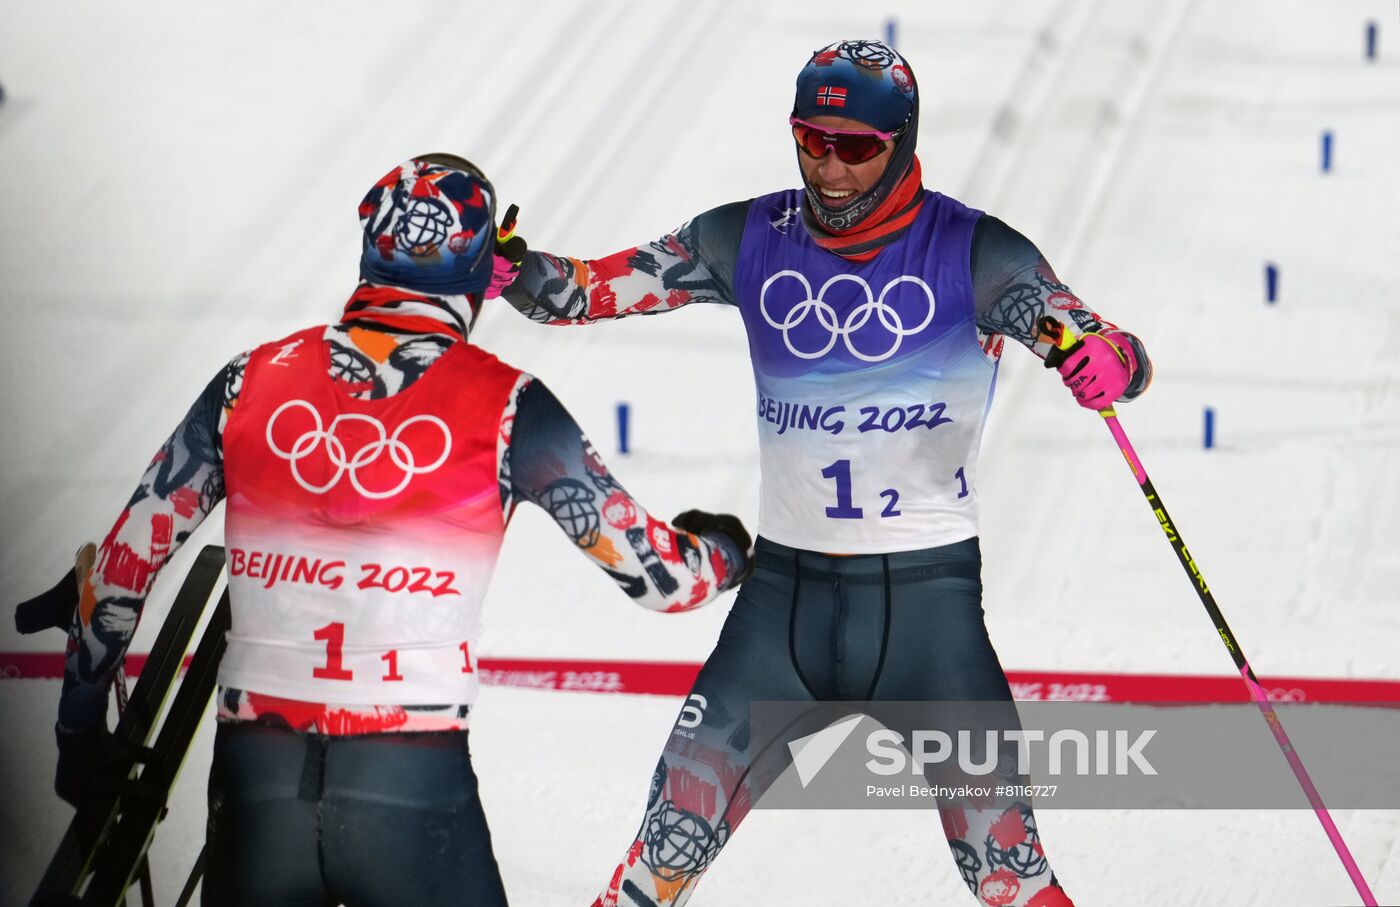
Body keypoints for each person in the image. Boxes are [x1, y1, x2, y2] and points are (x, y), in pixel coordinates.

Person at [489, 40, 1154, 907]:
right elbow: (584, 290)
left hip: (928, 617)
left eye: (856, 147)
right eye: (811, 140)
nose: (829, 168)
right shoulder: (746, 235)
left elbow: (1099, 342)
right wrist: (507, 269)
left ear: (902, 140)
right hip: (781, 612)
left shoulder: (978, 252)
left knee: (1013, 880)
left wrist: (1109, 360)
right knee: (654, 867)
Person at [28, 154, 753, 906]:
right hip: (412, 786)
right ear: (478, 272)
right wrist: (727, 550)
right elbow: (665, 582)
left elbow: (116, 576)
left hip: (256, 784)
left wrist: (80, 741)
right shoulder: (511, 406)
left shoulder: (248, 380)